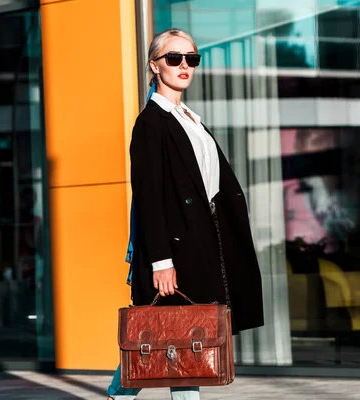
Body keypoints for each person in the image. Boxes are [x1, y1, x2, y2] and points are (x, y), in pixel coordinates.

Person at [107, 28, 264, 400]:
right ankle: (119, 394)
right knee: (181, 337)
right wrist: (161, 261)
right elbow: (149, 198)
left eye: (191, 59)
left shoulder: (189, 119)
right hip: (176, 249)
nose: (183, 66)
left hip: (205, 243)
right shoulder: (150, 124)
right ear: (153, 65)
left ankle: (117, 394)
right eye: (173, 58)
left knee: (178, 335)